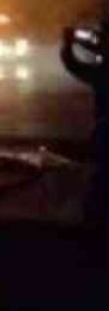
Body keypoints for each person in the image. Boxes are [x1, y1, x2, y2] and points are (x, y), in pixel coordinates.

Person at [60, 23, 107, 250]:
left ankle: (93, 233)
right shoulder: (102, 66)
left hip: (105, 133)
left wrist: (69, 43)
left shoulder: (102, 71)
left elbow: (73, 64)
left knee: (99, 185)